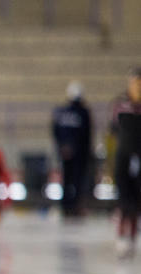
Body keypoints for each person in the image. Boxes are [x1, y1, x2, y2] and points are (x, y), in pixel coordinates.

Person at [109, 67, 141, 259]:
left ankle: (132, 235)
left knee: (137, 200)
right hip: (124, 156)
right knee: (124, 198)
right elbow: (113, 130)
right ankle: (122, 236)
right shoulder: (120, 104)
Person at [52, 81, 93, 218]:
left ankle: (66, 207)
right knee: (76, 181)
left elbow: (56, 131)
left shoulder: (62, 111)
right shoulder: (83, 113)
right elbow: (87, 134)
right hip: (78, 154)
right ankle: (73, 206)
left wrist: (62, 147)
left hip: (66, 153)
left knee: (67, 180)